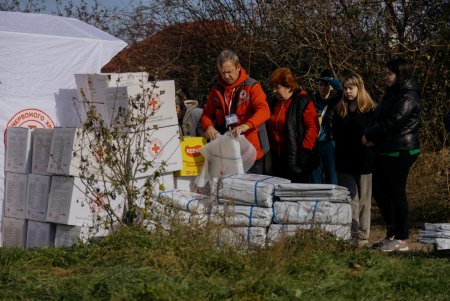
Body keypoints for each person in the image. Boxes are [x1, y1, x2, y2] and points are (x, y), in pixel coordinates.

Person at [363, 58, 421, 252]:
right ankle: (392, 234)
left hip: (402, 149)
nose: (386, 76)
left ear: (400, 74)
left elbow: (394, 122)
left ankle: (402, 238)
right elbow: (378, 117)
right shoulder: (392, 93)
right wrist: (369, 133)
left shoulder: (409, 95)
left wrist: (371, 135)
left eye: (389, 73)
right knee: (379, 191)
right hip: (386, 148)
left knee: (396, 192)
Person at [200, 50, 270, 174]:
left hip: (251, 150)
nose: (226, 76)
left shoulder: (252, 86)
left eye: (229, 72)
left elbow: (264, 111)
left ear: (238, 67)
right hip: (227, 152)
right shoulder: (216, 90)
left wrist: (246, 125)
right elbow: (206, 114)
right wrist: (209, 126)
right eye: (222, 73)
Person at [333, 73, 376, 246]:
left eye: (351, 88)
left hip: (364, 161)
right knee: (351, 199)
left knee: (364, 200)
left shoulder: (370, 110)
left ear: (359, 88)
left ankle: (363, 236)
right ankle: (352, 234)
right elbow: (335, 133)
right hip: (344, 161)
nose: (348, 91)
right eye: (345, 88)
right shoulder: (339, 109)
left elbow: (375, 134)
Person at [267, 67, 320, 183]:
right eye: (273, 87)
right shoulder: (273, 102)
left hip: (296, 158)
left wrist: (304, 152)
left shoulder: (303, 101)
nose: (274, 91)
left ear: (289, 87)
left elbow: (313, 128)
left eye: (277, 87)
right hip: (276, 157)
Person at [311, 69, 343, 184]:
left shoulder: (334, 100)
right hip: (315, 144)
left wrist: (331, 80)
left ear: (330, 86)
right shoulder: (312, 101)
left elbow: (341, 90)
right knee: (315, 177)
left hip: (330, 142)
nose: (323, 87)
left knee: (332, 176)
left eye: (326, 85)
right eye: (321, 84)